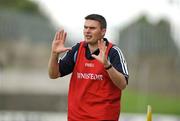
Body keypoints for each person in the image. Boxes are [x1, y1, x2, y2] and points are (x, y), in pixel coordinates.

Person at [48, 14, 129, 121]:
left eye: (92, 28)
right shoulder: (77, 49)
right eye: (85, 27)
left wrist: (107, 65)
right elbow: (53, 74)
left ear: (103, 31)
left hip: (103, 117)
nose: (87, 31)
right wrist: (54, 54)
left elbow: (122, 84)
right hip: (76, 117)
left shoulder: (113, 52)